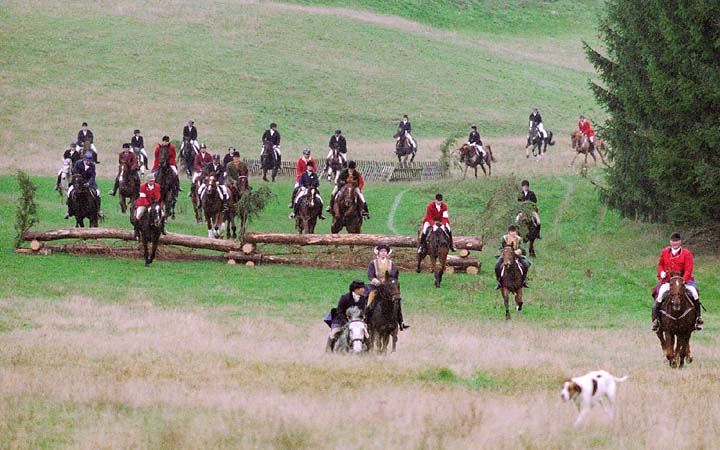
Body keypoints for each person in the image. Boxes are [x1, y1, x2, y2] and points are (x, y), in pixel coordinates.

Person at [652, 233, 703, 331]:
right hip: (668, 281)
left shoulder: (686, 253)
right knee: (660, 295)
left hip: (684, 281)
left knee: (694, 293)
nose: (675, 243)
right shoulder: (665, 252)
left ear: (680, 242)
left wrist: (683, 280)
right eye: (673, 241)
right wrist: (661, 272)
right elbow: (660, 264)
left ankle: (698, 318)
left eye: (676, 241)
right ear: (670, 242)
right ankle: (656, 320)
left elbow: (689, 269)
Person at [365, 244, 408, 330]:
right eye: (381, 251)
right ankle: (366, 318)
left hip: (389, 287)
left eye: (385, 251)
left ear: (387, 253)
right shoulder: (373, 263)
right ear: (378, 253)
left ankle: (401, 321)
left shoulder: (391, 263)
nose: (383, 253)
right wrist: (377, 282)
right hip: (377, 286)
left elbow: (394, 275)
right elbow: (370, 275)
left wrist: (389, 283)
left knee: (397, 300)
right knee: (370, 298)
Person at [324, 280, 368, 352]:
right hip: (340, 320)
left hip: (356, 321)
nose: (364, 290)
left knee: (367, 334)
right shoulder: (345, 297)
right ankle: (328, 350)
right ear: (356, 289)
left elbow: (362, 312)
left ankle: (367, 351)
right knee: (333, 333)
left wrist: (360, 321)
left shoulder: (363, 298)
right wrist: (346, 322)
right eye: (362, 288)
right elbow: (339, 311)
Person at [64, 152, 102, 219]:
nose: (88, 162)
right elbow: (74, 171)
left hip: (89, 182)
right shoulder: (78, 163)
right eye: (87, 161)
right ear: (84, 159)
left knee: (98, 193)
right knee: (69, 192)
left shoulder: (92, 165)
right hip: (78, 182)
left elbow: (93, 176)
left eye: (90, 161)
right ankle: (69, 211)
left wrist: (89, 183)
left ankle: (98, 210)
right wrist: (79, 179)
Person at [494, 225, 531, 289]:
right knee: (497, 265)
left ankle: (524, 280)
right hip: (506, 255)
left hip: (516, 255)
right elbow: (500, 248)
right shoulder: (504, 238)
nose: (513, 233)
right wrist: (505, 252)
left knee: (526, 264)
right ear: (509, 232)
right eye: (511, 231)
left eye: (514, 231)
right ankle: (499, 281)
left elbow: (522, 248)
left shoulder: (519, 239)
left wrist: (518, 251)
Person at [133, 172, 164, 238]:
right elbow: (143, 197)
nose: (151, 182)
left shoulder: (157, 186)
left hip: (154, 203)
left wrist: (155, 203)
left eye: (152, 181)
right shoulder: (142, 187)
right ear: (147, 181)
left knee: (162, 213)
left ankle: (162, 228)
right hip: (144, 203)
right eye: (150, 181)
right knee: (138, 214)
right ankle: (136, 230)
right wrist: (148, 205)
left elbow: (158, 196)